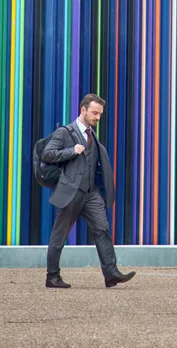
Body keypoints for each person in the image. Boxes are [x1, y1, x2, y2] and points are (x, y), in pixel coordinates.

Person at [42, 93, 136, 289]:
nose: (97, 117)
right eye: (94, 113)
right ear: (83, 109)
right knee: (60, 234)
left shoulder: (91, 134)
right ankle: (52, 276)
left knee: (102, 228)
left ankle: (111, 273)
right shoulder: (65, 132)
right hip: (71, 191)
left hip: (90, 193)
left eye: (100, 114)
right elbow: (47, 154)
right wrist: (70, 151)